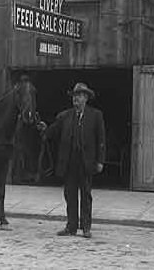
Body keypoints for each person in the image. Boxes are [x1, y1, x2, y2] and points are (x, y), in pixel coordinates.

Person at [38, 82, 106, 238]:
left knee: (86, 195)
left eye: (80, 95)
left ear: (86, 98)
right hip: (69, 162)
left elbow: (101, 140)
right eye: (75, 96)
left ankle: (86, 227)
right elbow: (52, 132)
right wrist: (44, 129)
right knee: (70, 195)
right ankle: (71, 227)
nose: (76, 98)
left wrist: (100, 160)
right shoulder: (65, 116)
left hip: (86, 162)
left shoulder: (96, 115)